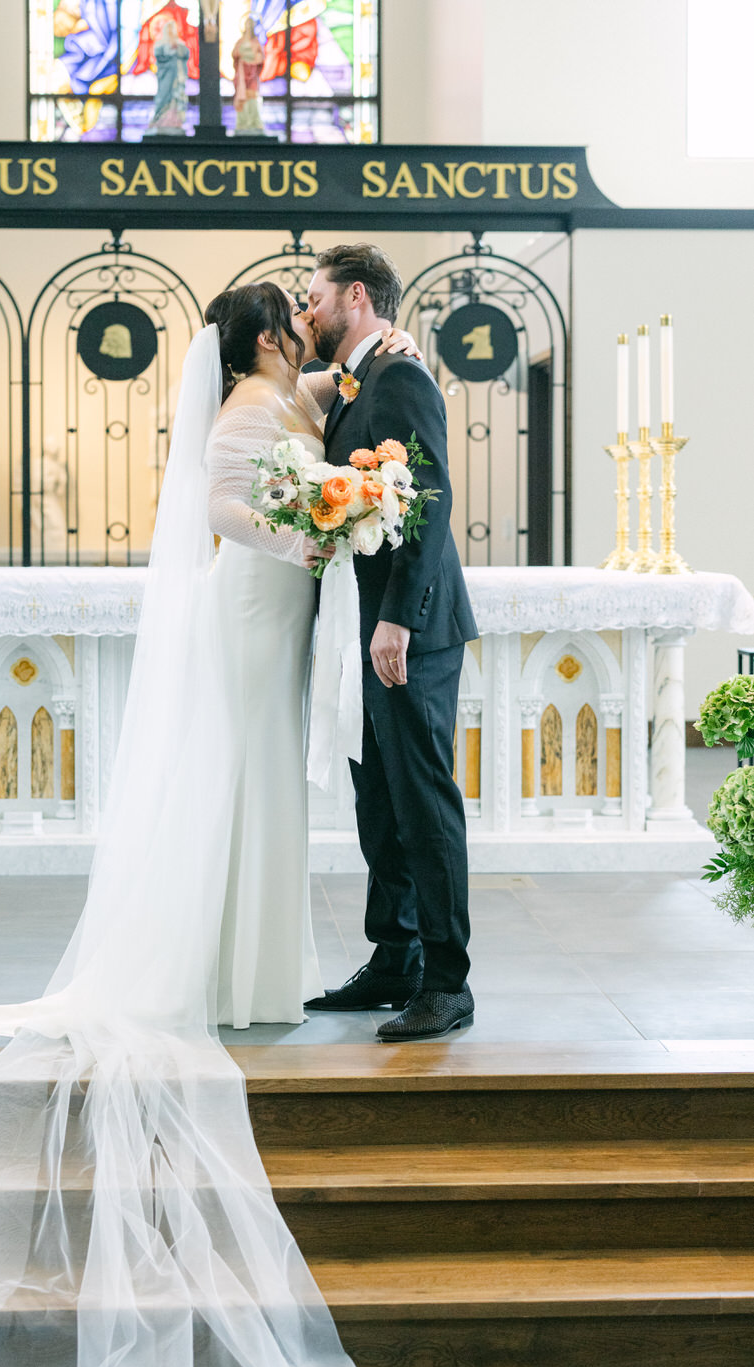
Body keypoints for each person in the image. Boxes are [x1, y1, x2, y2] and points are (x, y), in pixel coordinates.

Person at [0, 285, 430, 1367]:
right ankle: (218, 973)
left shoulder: (287, 389)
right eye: (294, 320)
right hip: (253, 608)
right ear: (269, 335)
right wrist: (316, 524)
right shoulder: (236, 416)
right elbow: (226, 514)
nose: (305, 332)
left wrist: (378, 380)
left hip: (282, 610)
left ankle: (251, 975)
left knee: (264, 788)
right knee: (236, 784)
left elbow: (343, 389)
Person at [304, 243, 479, 1041]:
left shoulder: (399, 375)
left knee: (421, 798)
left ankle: (446, 981)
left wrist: (399, 617)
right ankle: (392, 959)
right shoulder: (354, 383)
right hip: (360, 621)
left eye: (315, 297)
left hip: (406, 627)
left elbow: (429, 495)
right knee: (378, 799)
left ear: (355, 298)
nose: (308, 312)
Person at [145, 17, 190, 135]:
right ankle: (160, 119)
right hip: (166, 76)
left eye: (172, 29)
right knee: (164, 96)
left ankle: (175, 121)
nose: (170, 32)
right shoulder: (160, 44)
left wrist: (177, 48)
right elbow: (159, 56)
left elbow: (185, 54)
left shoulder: (180, 43)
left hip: (177, 77)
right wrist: (169, 49)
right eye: (168, 29)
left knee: (176, 98)